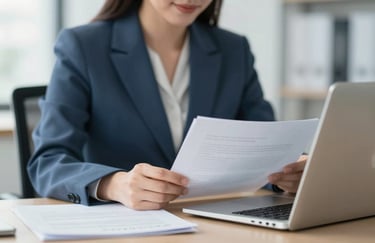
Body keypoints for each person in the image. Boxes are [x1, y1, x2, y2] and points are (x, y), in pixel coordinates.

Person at [28, 0, 307, 210]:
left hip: (213, 224)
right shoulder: (83, 46)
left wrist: (290, 174)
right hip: (125, 230)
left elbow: (270, 147)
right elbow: (48, 162)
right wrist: (115, 185)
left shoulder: (234, 50)